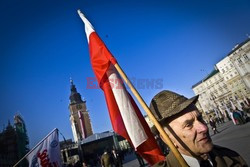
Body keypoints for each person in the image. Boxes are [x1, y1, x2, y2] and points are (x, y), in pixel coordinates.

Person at [149, 90, 247, 167]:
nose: (204, 128)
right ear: (167, 138)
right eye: (188, 125)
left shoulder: (232, 157)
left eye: (200, 118)